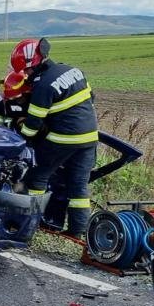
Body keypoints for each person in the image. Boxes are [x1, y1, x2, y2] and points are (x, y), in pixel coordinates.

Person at [13, 37, 98, 239]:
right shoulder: (73, 70)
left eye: (26, 71)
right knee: (78, 185)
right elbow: (92, 97)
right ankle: (78, 232)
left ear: (31, 65)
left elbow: (32, 126)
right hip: (90, 137)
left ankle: (32, 223)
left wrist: (20, 135)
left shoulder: (43, 86)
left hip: (63, 139)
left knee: (38, 176)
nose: (25, 75)